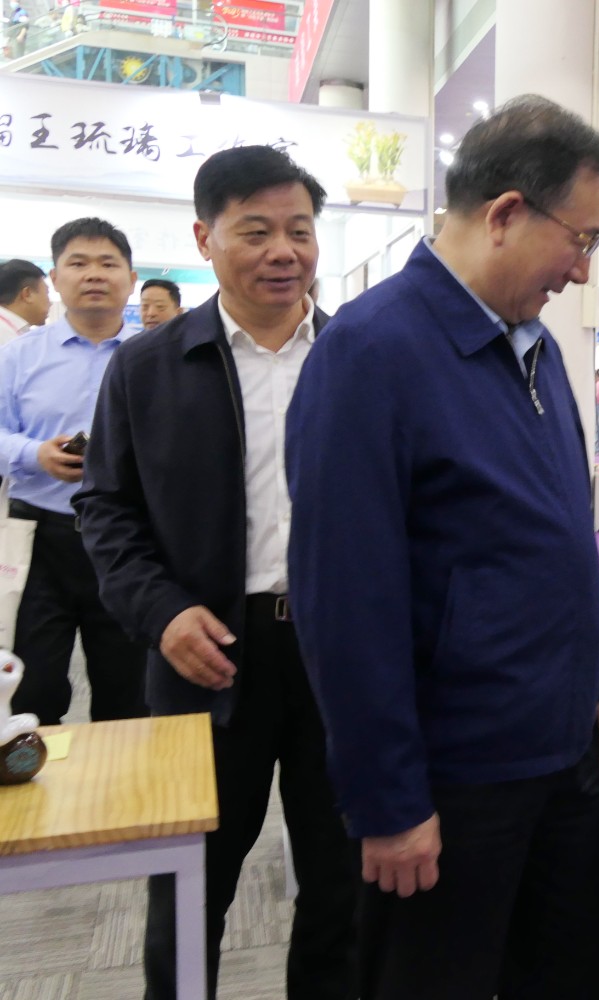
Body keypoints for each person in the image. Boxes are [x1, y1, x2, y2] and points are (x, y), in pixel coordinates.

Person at [285, 94, 599, 1000]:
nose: (583, 270)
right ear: (506, 213)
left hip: (560, 757)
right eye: (581, 240)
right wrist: (389, 801)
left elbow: (565, 539)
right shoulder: (369, 353)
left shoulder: (537, 348)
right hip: (453, 777)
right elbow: (344, 603)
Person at [74, 147, 358, 1000]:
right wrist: (161, 613)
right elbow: (105, 508)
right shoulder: (149, 365)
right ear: (205, 238)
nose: (283, 252)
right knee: (191, 889)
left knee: (343, 887)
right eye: (256, 231)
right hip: (206, 659)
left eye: (300, 231)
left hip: (340, 659)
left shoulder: (358, 357)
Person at [0, 218, 147, 726]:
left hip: (129, 539)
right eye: (78, 263)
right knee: (32, 686)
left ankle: (122, 777)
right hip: (40, 538)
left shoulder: (154, 358)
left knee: (128, 689)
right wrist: (34, 454)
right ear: (54, 278)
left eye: (108, 263)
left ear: (130, 279)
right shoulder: (18, 356)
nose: (94, 274)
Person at [0, 259, 51, 344]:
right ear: (27, 294)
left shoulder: (14, 329)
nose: (50, 303)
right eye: (46, 293)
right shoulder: (5, 335)